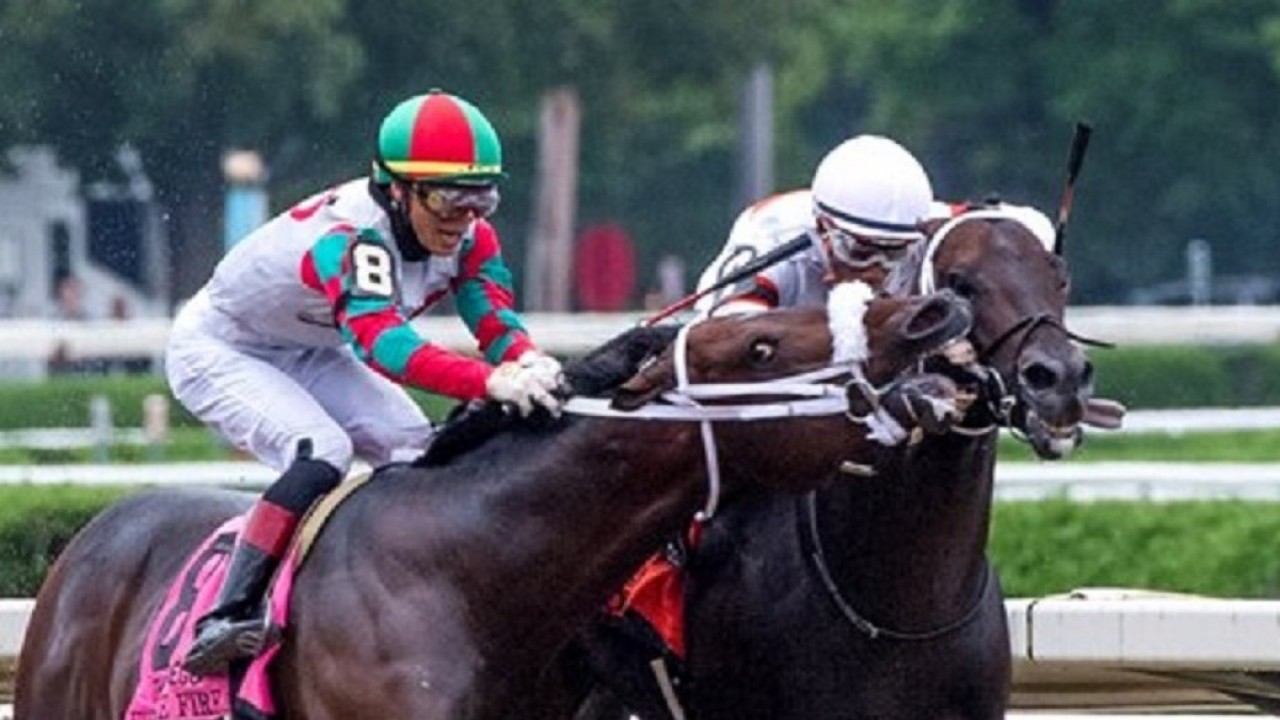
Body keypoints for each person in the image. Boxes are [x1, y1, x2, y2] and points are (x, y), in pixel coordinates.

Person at [167, 90, 565, 675]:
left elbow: (491, 314)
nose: (466, 220)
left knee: (418, 447)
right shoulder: (351, 240)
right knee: (322, 451)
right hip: (223, 347)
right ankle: (229, 611)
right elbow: (385, 346)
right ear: (397, 191)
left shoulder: (470, 235)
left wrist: (526, 358)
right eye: (449, 201)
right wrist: (490, 384)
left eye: (481, 199)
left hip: (312, 346)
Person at [693, 133, 934, 316]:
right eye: (861, 252)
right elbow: (725, 335)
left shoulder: (924, 226)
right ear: (822, 228)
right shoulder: (773, 236)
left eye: (896, 252)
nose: (877, 271)